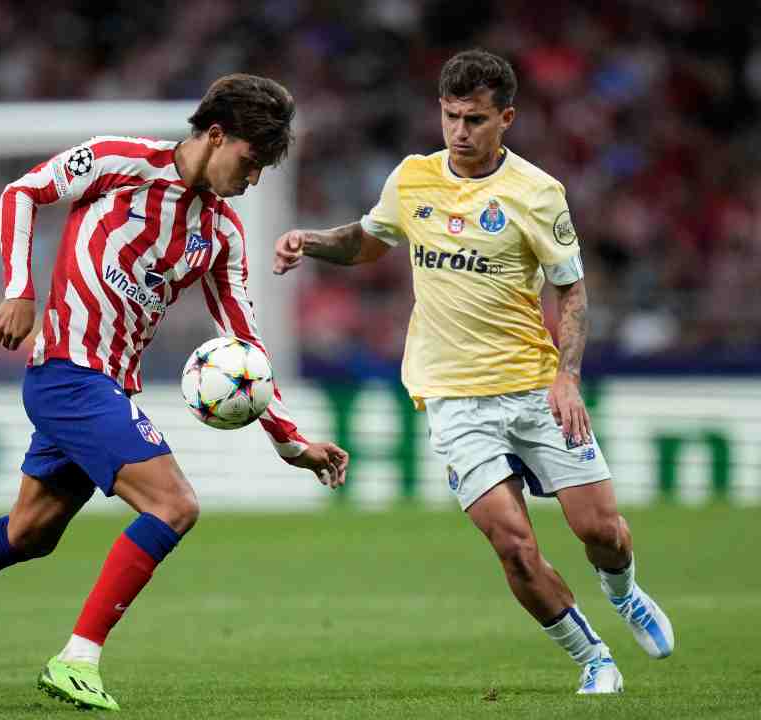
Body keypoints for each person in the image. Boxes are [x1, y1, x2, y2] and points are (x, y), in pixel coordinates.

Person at [0, 73, 349, 709]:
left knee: (30, 533)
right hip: (67, 373)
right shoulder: (120, 162)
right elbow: (21, 193)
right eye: (249, 163)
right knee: (174, 505)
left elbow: (248, 349)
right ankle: (77, 657)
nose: (251, 181)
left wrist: (290, 439)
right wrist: (19, 290)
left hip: (107, 386)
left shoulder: (220, 236)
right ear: (216, 136)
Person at [272, 49, 673, 694]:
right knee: (513, 546)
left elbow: (571, 291)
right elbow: (373, 239)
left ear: (506, 118)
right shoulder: (412, 179)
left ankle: (623, 592)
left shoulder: (537, 194)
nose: (460, 132)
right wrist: (311, 240)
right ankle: (593, 657)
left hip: (534, 386)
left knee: (600, 531)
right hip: (454, 398)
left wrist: (567, 376)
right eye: (451, 116)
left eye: (476, 120)